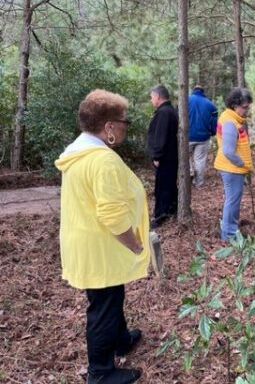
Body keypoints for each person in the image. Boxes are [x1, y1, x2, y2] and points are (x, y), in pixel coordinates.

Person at [55, 89, 149, 384]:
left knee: (110, 296)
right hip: (99, 244)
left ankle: (120, 338)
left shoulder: (79, 152)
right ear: (108, 126)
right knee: (103, 306)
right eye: (124, 121)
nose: (125, 126)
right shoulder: (102, 160)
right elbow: (112, 214)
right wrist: (134, 244)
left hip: (88, 241)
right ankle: (100, 372)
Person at [214, 87, 253, 240]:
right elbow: (228, 151)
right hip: (232, 169)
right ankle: (229, 234)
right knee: (232, 201)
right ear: (235, 105)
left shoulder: (230, 118)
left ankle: (230, 229)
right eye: (245, 107)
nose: (247, 110)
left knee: (232, 200)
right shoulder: (230, 122)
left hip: (232, 168)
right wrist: (242, 163)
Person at [147, 84, 178, 228]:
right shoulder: (168, 110)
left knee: (163, 187)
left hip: (165, 157)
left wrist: (157, 156)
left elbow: (161, 136)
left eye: (152, 97)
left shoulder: (164, 113)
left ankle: (161, 216)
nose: (151, 99)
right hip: (170, 156)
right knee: (168, 185)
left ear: (158, 96)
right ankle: (170, 211)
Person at [188, 85, 218, 188]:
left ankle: (190, 171)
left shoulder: (185, 100)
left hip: (187, 137)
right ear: (203, 92)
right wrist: (212, 132)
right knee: (199, 160)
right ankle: (199, 183)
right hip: (203, 137)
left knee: (185, 158)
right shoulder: (210, 104)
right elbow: (214, 121)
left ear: (193, 91)